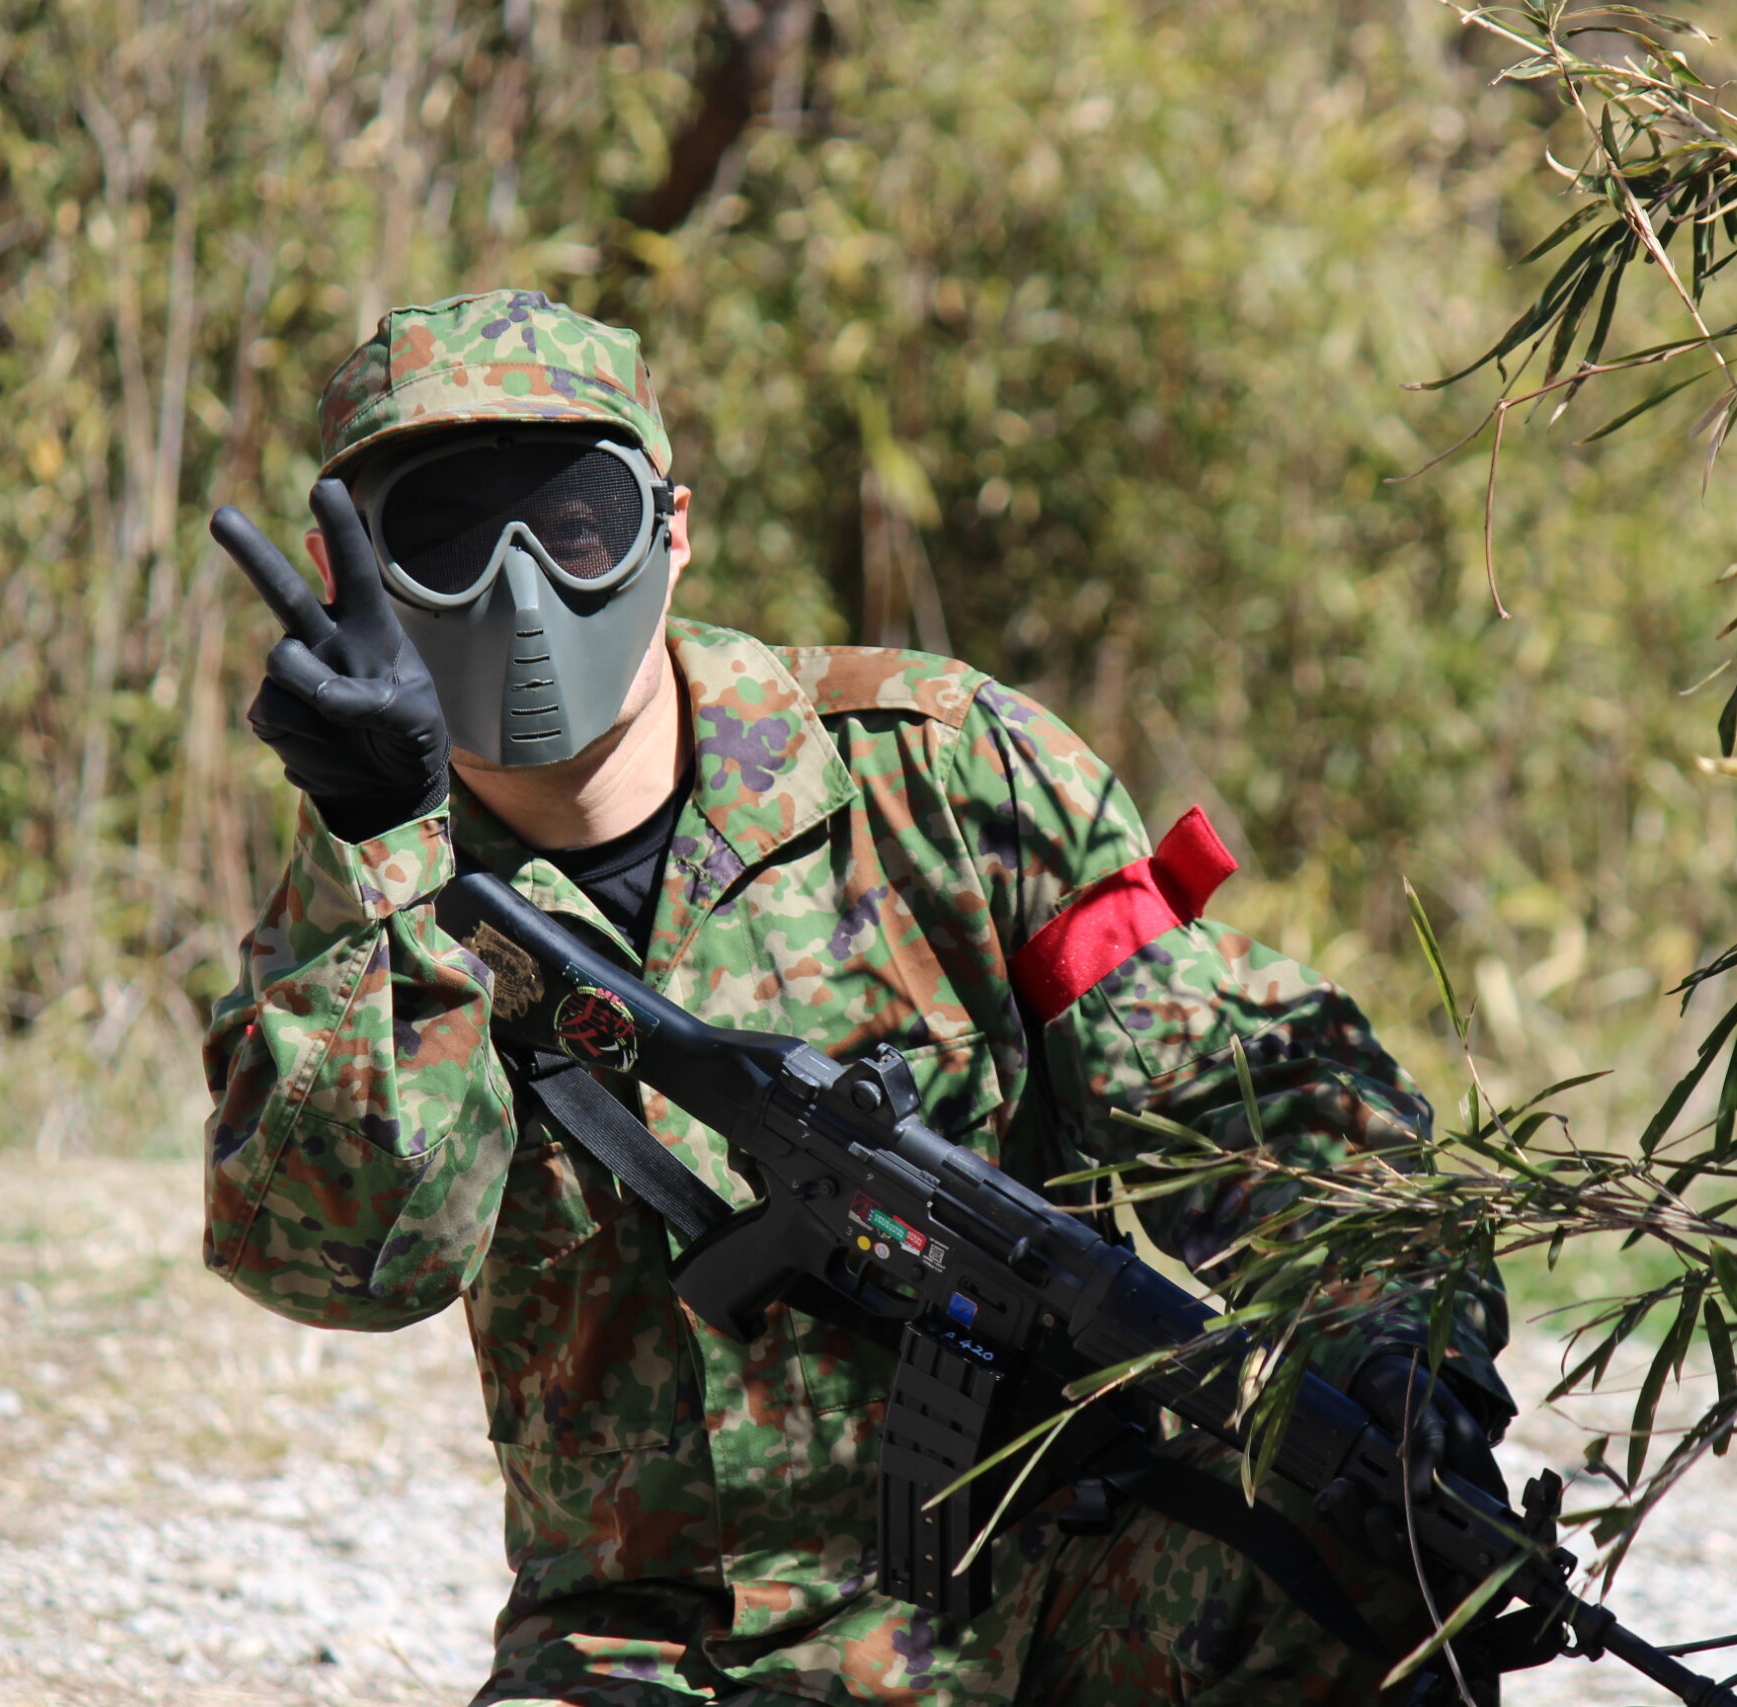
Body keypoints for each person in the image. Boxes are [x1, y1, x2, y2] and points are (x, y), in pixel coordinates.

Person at [200, 289, 1537, 1707]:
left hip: (1059, 1585)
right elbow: (343, 1269)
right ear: (344, 576)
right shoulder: (367, 906)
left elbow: (1257, 1105)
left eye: (577, 525)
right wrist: (378, 848)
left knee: (1369, 1565)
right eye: (448, 537)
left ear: (674, 530)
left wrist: (1401, 1353)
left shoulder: (942, 773)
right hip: (657, 1648)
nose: (522, 587)